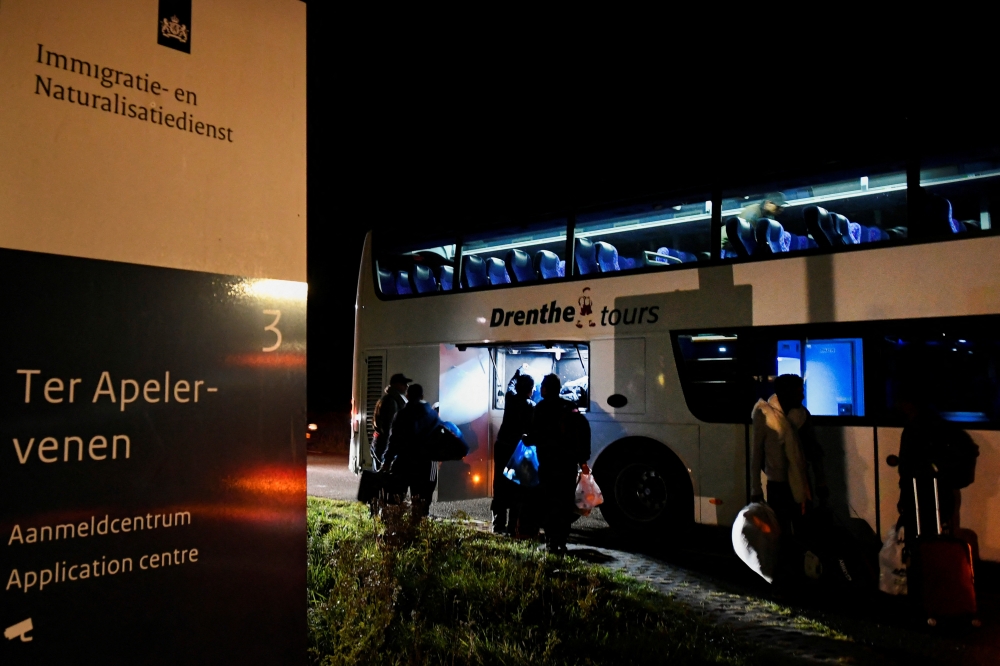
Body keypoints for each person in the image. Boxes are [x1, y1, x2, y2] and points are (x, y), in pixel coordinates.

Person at [750, 374, 825, 533]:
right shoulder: (764, 414)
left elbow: (814, 450)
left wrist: (820, 482)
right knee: (780, 530)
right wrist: (756, 489)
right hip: (778, 484)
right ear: (785, 393)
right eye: (798, 392)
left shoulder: (802, 415)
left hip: (801, 480)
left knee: (803, 529)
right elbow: (756, 454)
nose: (803, 396)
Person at [528, 374, 591, 554]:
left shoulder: (540, 408)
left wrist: (528, 440)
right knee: (564, 503)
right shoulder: (570, 407)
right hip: (567, 465)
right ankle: (562, 540)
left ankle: (550, 540)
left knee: (548, 502)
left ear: (546, 389)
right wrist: (583, 460)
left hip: (548, 464)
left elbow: (534, 434)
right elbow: (582, 433)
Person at [383, 383, 440, 516]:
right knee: (421, 503)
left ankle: (396, 532)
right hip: (425, 465)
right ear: (422, 396)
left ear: (407, 396)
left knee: (396, 503)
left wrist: (387, 462)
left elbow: (394, 441)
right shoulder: (432, 416)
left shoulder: (401, 415)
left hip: (403, 463)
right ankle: (418, 529)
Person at [491, 374, 536, 535]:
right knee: (517, 487)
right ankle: (512, 526)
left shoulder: (510, 399)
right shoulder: (531, 406)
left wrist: (516, 374)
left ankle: (498, 523)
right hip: (517, 451)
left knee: (500, 485)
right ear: (530, 390)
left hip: (502, 447)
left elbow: (510, 386)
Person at [371, 373, 410, 471]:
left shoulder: (388, 399)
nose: (406, 386)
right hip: (384, 445)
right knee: (386, 477)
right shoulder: (392, 401)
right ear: (396, 385)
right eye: (404, 384)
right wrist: (391, 451)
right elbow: (390, 428)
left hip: (380, 443)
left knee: (382, 477)